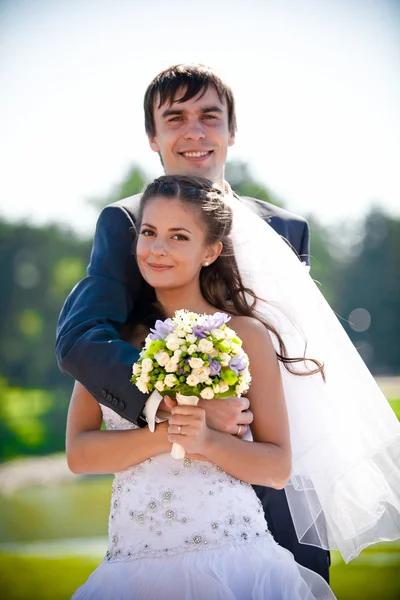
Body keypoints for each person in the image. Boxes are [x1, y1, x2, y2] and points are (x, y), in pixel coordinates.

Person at [56, 63, 330, 580]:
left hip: (282, 474)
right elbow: (82, 339)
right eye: (176, 117)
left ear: (232, 131)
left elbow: (296, 348)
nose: (196, 131)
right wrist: (174, 410)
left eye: (211, 116)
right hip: (167, 493)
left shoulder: (287, 229)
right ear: (152, 135)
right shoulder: (127, 220)